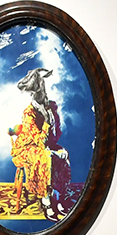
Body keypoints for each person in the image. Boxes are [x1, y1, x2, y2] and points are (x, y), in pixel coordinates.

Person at [9, 68, 69, 222]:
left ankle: (57, 196)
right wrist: (47, 123)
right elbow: (39, 141)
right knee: (44, 156)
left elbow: (56, 135)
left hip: (43, 145)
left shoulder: (52, 107)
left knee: (62, 154)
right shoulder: (28, 113)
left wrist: (51, 119)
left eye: (43, 91)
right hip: (25, 148)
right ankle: (46, 201)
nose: (42, 95)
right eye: (38, 92)